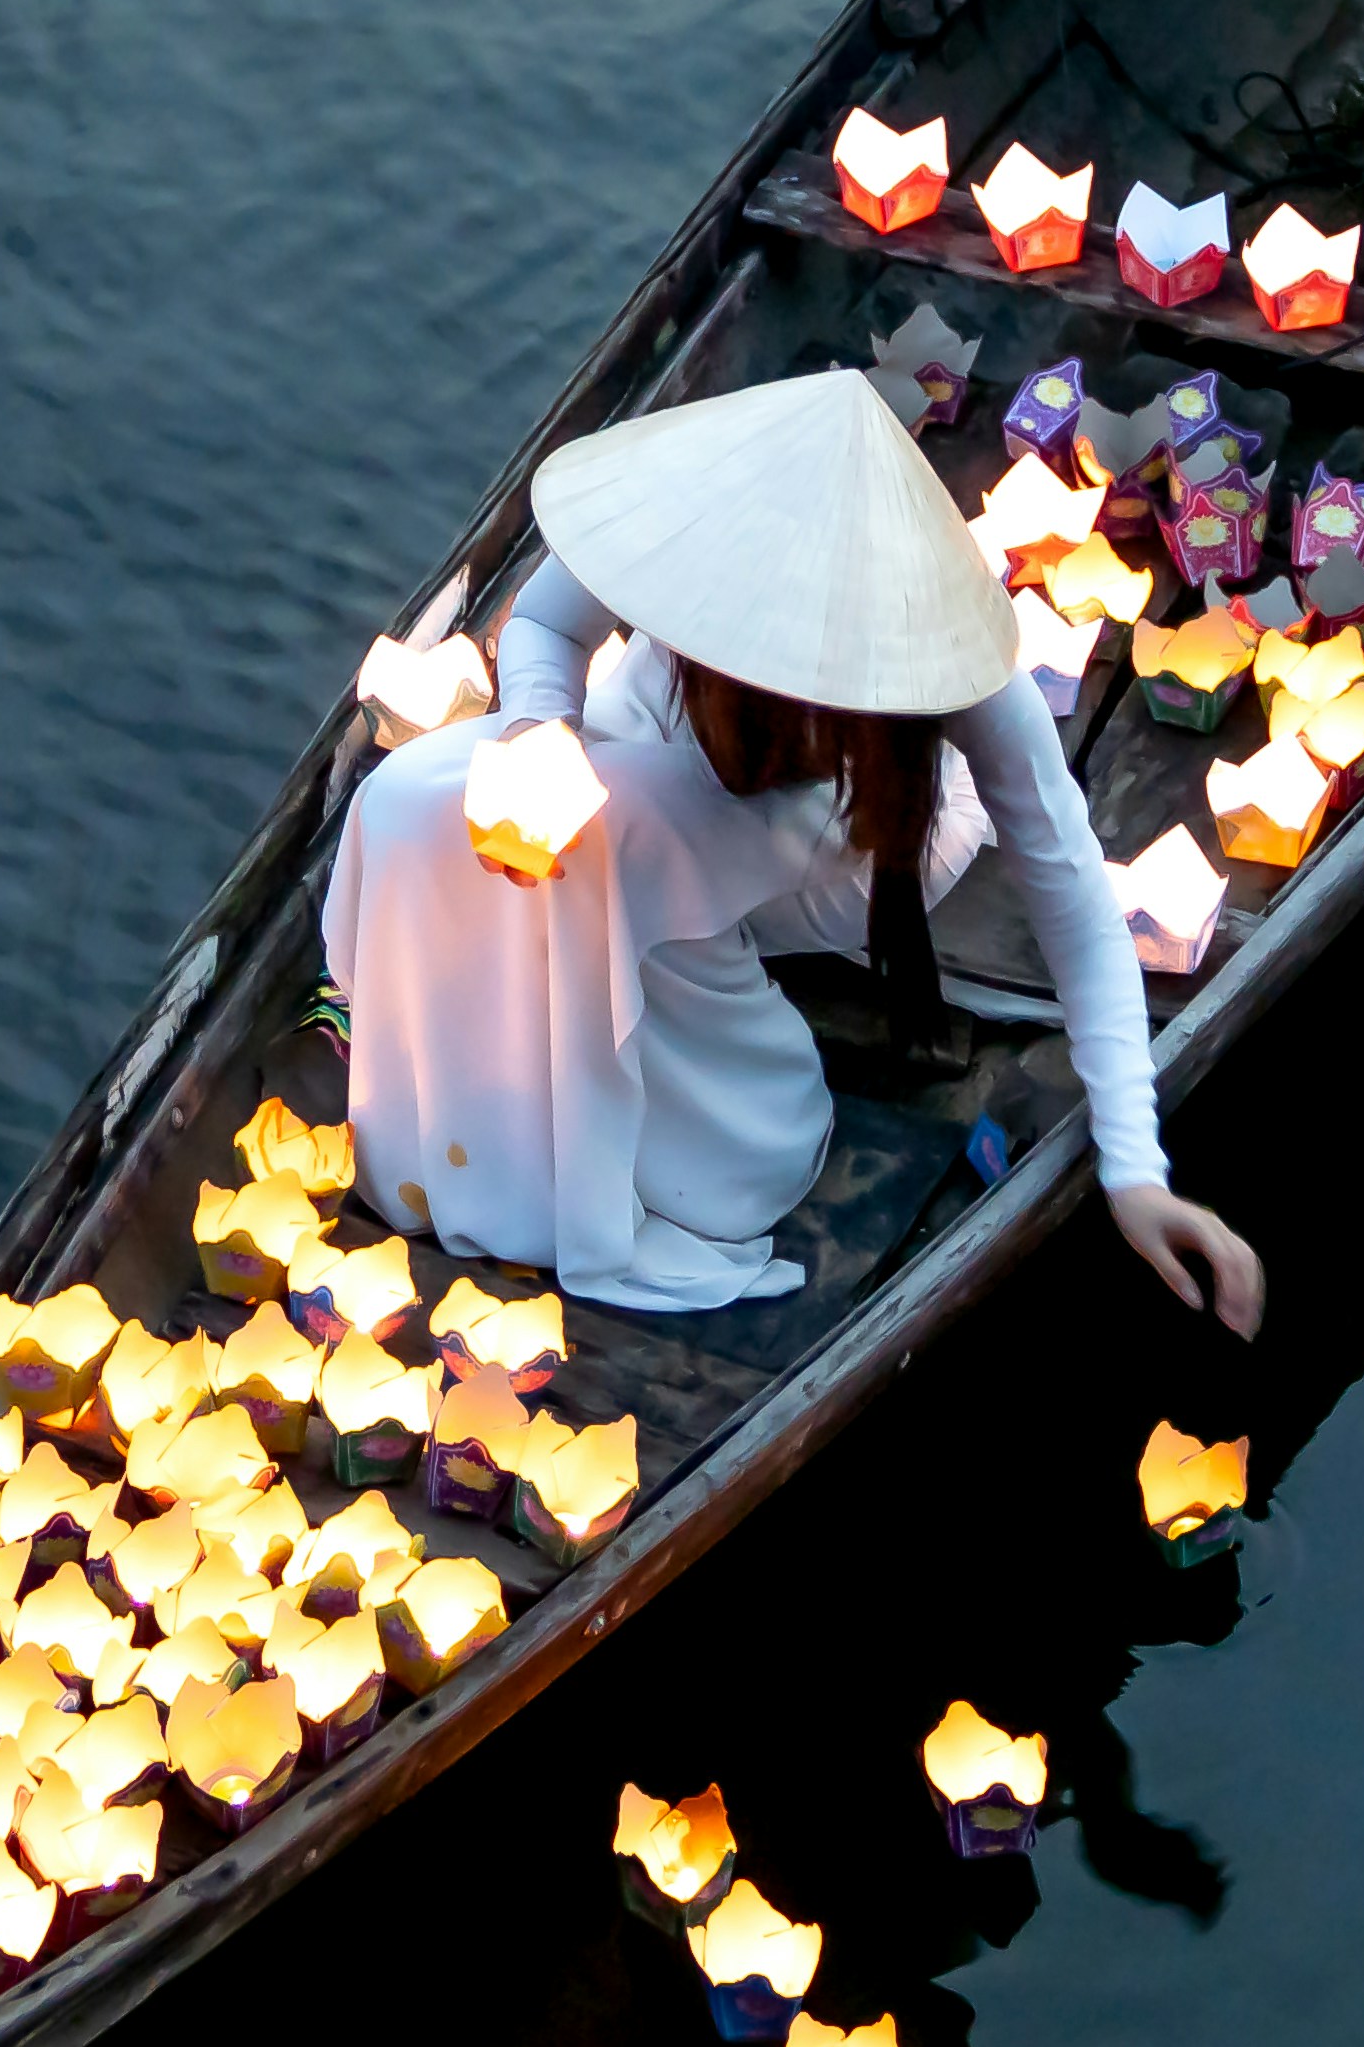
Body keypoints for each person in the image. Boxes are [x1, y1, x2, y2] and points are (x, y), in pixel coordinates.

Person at [334, 372, 1274, 1338]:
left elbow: (1073, 898)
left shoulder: (945, 649)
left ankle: (692, 1109)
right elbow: (543, 621)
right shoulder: (687, 512)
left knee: (612, 842)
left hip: (856, 838)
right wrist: (539, 732)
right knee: (411, 799)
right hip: (663, 747)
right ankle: (466, 1063)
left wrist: (1134, 1171)